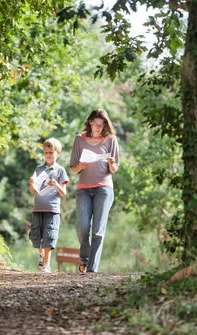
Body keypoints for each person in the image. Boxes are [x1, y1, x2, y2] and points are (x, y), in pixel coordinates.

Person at [70, 109, 120, 273]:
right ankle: (84, 258)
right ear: (89, 122)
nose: (98, 127)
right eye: (95, 124)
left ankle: (91, 270)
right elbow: (73, 169)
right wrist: (81, 165)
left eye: (102, 124)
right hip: (83, 189)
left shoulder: (111, 140)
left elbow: (114, 169)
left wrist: (111, 163)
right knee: (82, 227)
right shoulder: (79, 140)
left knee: (98, 230)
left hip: (104, 189)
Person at [28, 138, 69, 273]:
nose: (48, 155)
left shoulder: (60, 170)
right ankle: (41, 255)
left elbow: (63, 193)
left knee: (49, 236)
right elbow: (33, 191)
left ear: (58, 153)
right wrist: (31, 184)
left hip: (52, 209)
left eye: (51, 152)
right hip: (38, 208)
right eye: (46, 152)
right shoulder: (38, 169)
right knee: (35, 237)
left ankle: (46, 265)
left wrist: (56, 184)